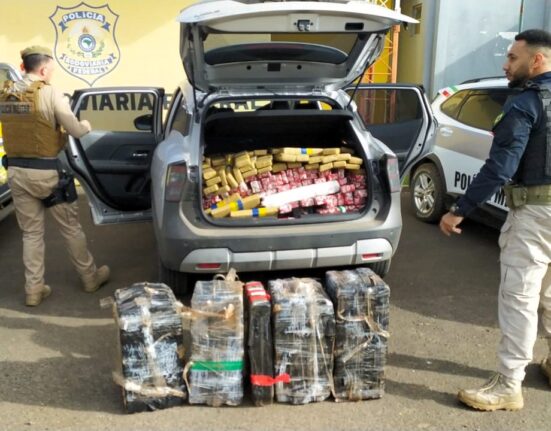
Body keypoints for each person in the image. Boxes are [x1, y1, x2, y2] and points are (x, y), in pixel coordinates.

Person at [439, 29, 551, 411]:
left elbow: (501, 167)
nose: (506, 65)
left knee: (520, 297)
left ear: (537, 61)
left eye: (513, 58)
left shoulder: (526, 102)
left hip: (536, 215)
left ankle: (508, 384)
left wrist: (459, 210)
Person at [0, 46, 110, 307]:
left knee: (31, 234)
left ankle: (34, 290)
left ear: (24, 66)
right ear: (43, 69)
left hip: (16, 172)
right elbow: (75, 130)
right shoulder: (49, 93)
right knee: (71, 228)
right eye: (51, 69)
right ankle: (90, 278)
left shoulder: (5, 95)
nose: (51, 73)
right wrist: (86, 125)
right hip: (47, 173)